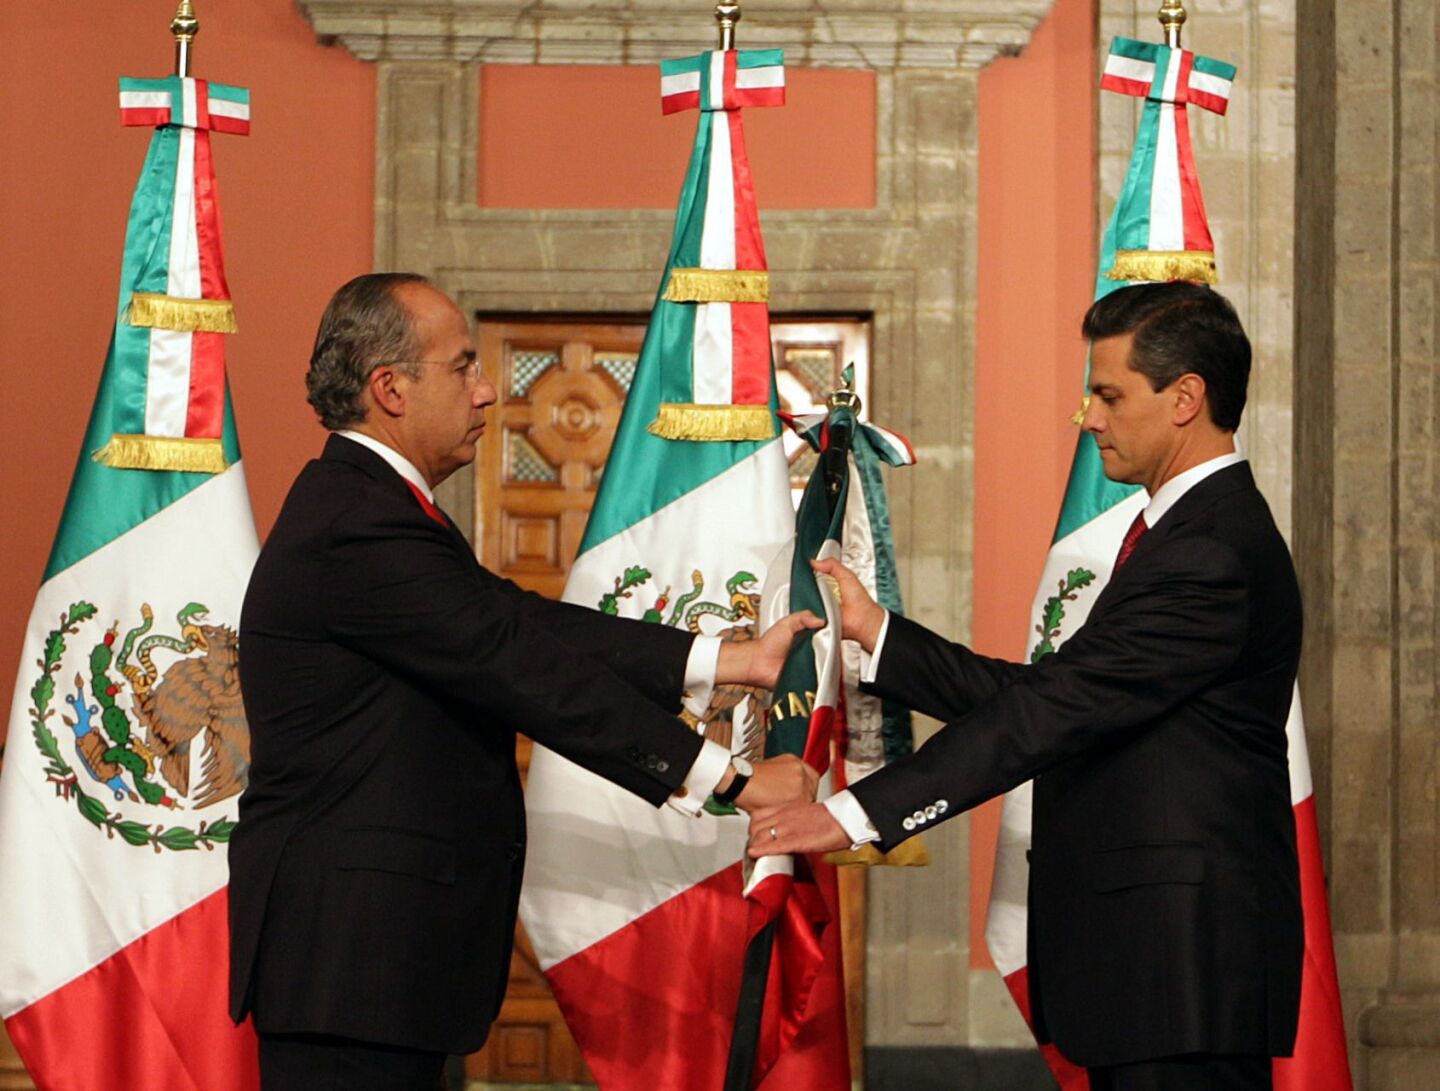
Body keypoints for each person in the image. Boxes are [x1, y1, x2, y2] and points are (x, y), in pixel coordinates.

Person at [228, 273, 820, 1090]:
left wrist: (724, 659)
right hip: (351, 960)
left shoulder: (375, 508)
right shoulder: (357, 524)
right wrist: (739, 781)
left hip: (374, 963)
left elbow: (518, 623)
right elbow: (521, 665)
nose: (488, 389)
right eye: (463, 366)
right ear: (389, 388)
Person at [750, 282, 1303, 1091]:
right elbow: (1061, 693)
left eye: (1110, 395)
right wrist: (883, 637)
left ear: (1186, 397)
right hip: (1157, 970)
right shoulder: (1188, 533)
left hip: (1181, 970)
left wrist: (850, 813)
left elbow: (1053, 709)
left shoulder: (1210, 551)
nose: (1091, 417)